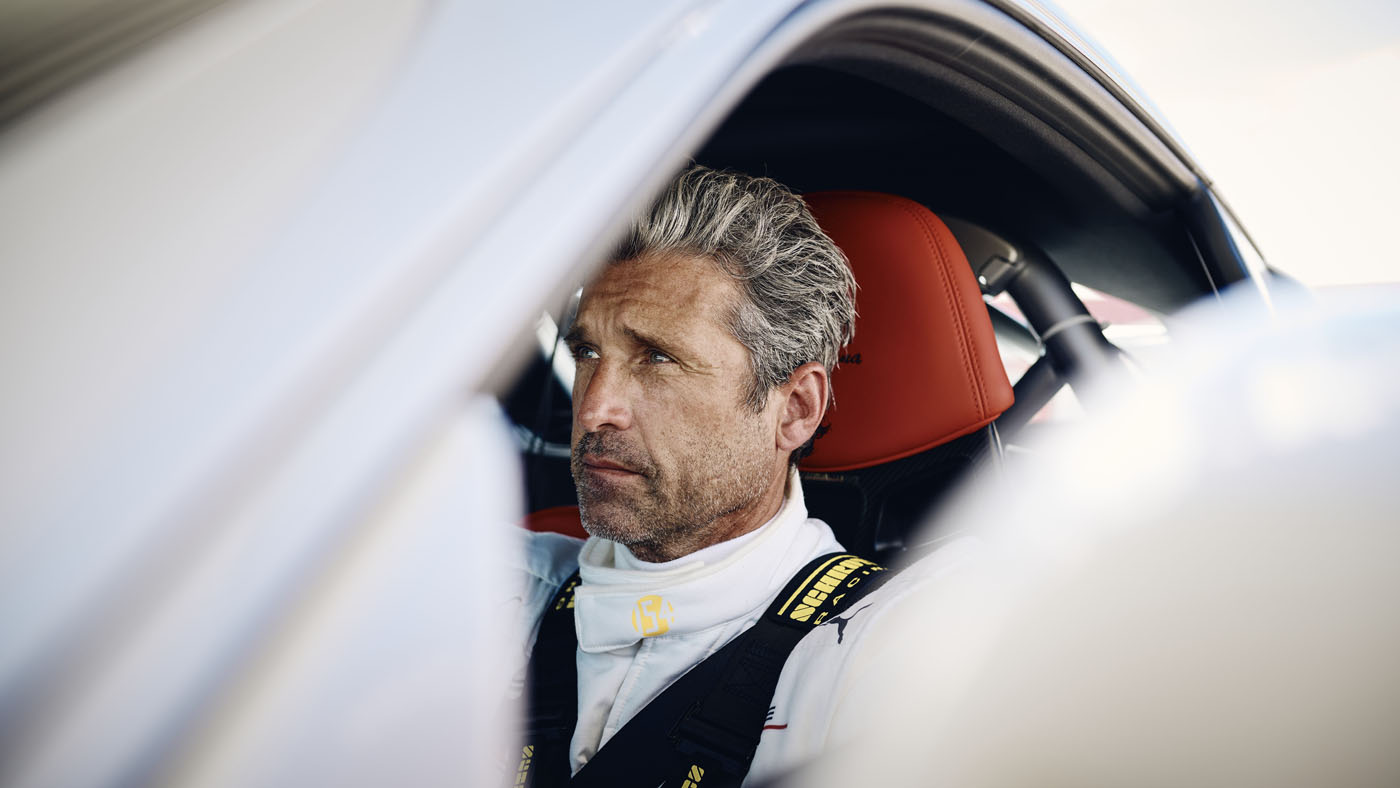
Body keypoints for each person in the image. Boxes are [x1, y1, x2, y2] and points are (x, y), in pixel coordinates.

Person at [510, 164, 916, 786]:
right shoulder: (496, 588)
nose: (593, 409)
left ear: (795, 410)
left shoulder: (884, 653)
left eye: (659, 357)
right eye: (588, 353)